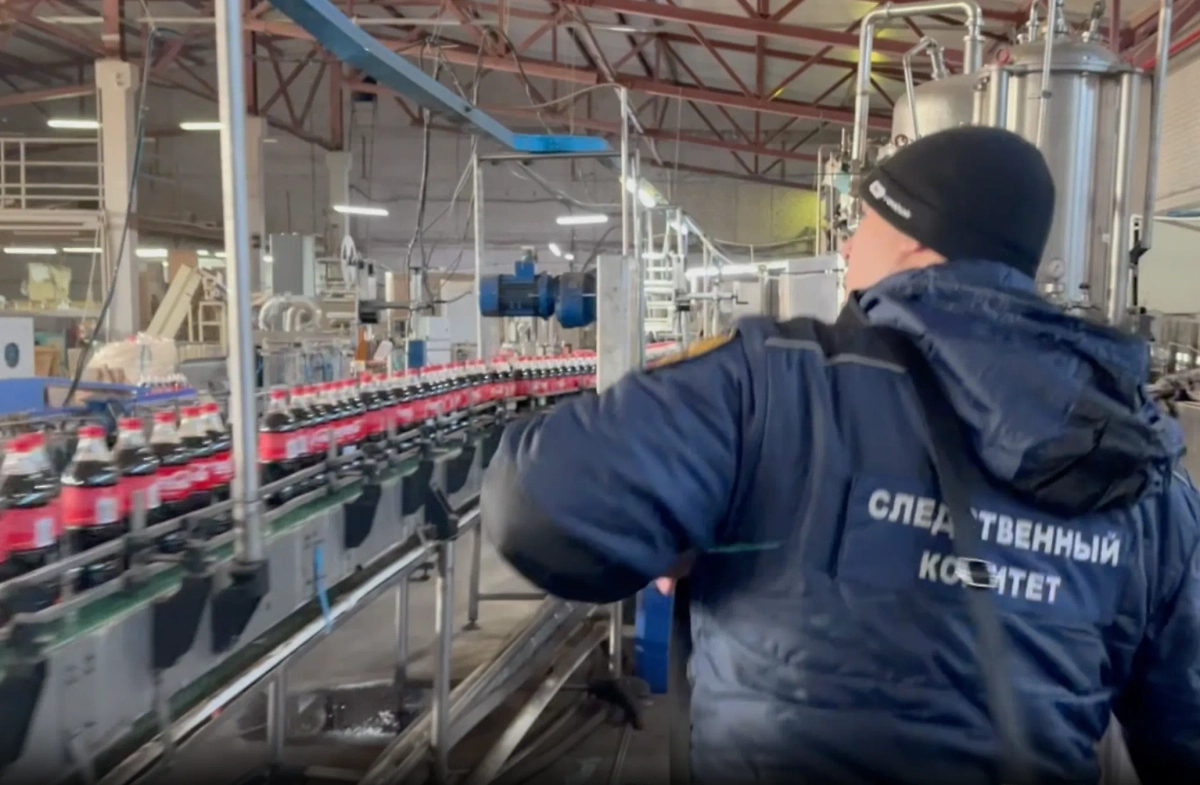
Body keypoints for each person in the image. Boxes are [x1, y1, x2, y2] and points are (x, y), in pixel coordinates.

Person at [480, 127, 1200, 784]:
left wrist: (663, 537)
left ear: (916, 239)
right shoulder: (1141, 458)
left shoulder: (773, 383)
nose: (849, 248)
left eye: (864, 224)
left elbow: (537, 501)